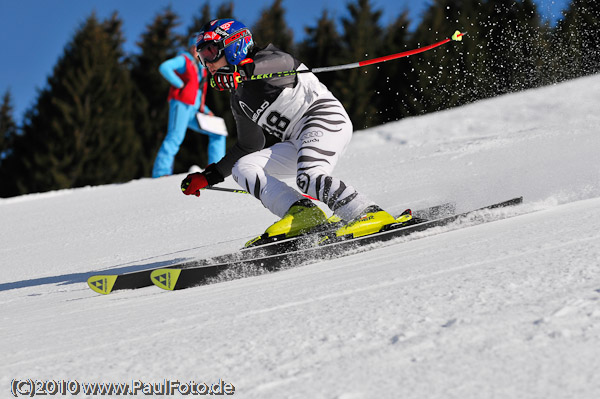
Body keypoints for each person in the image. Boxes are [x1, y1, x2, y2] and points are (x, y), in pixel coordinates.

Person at [181, 19, 408, 244]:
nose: (207, 64)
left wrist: (244, 70)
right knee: (244, 167)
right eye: (202, 58)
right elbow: (249, 145)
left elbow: (286, 62)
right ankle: (303, 214)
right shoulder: (239, 99)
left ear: (233, 44)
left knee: (308, 177)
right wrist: (209, 176)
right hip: (297, 140)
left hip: (323, 119)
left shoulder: (266, 61)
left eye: (210, 52)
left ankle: (366, 212)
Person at [152, 33, 227, 178]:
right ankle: (161, 173)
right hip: (181, 104)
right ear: (192, 49)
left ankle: (218, 170)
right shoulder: (184, 60)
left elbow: (198, 95)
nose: (197, 51)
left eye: (201, 49)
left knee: (218, 133)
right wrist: (179, 84)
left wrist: (206, 110)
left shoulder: (202, 69)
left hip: (194, 110)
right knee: (175, 137)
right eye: (195, 48)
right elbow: (164, 67)